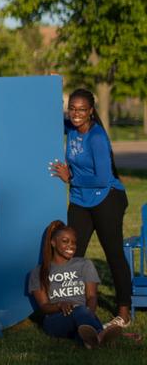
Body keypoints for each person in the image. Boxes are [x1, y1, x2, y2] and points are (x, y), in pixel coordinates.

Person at [48, 88, 132, 328]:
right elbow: (48, 118)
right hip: (80, 200)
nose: (76, 114)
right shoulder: (72, 128)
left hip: (106, 198)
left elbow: (103, 178)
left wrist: (70, 177)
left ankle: (123, 314)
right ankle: (71, 306)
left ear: (91, 112)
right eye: (72, 109)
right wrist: (52, 88)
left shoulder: (96, 138)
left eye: (82, 110)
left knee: (113, 253)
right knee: (71, 254)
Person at [28, 220, 122, 349]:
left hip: (82, 316)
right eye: (65, 241)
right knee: (79, 311)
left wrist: (88, 314)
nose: (71, 246)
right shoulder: (39, 272)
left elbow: (91, 297)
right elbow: (44, 306)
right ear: (53, 243)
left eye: (74, 242)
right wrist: (59, 305)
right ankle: (100, 334)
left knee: (81, 314)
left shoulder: (85, 264)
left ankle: (89, 340)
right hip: (55, 320)